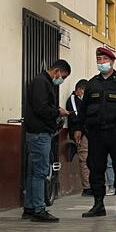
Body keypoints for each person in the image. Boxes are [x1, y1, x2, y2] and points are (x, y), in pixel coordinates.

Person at [75, 47, 116, 219]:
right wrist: (78, 128)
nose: (102, 63)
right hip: (96, 134)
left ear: (112, 61)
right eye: (99, 59)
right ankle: (98, 204)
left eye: (105, 59)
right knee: (95, 168)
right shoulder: (92, 84)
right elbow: (83, 110)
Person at [22, 59, 71, 222]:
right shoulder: (41, 83)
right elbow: (41, 107)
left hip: (37, 132)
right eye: (62, 76)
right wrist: (58, 112)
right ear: (56, 71)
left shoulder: (43, 82)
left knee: (33, 172)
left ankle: (30, 207)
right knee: (40, 172)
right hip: (39, 133)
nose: (60, 80)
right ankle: (39, 209)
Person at [66, 79, 92, 196]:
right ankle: (87, 187)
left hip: (87, 133)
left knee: (89, 160)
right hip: (81, 134)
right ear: (80, 90)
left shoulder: (82, 101)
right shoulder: (73, 99)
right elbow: (77, 117)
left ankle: (91, 185)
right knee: (84, 159)